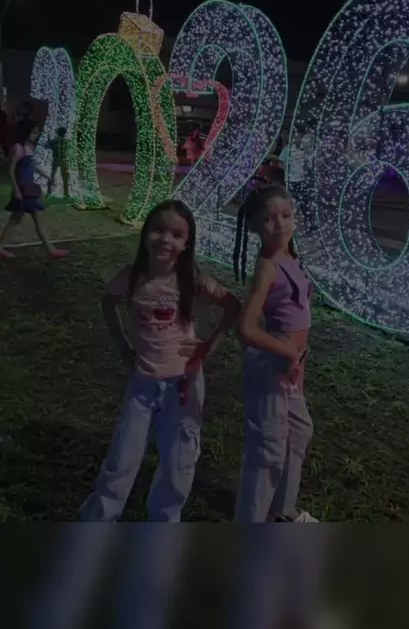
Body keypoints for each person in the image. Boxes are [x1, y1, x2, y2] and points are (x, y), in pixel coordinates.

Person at [79, 199, 241, 522]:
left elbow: (232, 305)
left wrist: (209, 346)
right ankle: (99, 519)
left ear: (187, 243)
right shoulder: (131, 276)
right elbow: (107, 303)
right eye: (158, 230)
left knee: (178, 460)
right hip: (142, 383)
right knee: (123, 456)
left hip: (183, 385)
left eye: (176, 235)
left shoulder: (190, 277)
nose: (166, 240)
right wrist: (123, 345)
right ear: (145, 232)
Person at [232, 183, 318, 523]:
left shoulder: (290, 258)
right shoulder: (267, 266)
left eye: (286, 215)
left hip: (290, 366)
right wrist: (288, 352)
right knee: (268, 448)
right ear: (254, 226)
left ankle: (282, 511)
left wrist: (298, 362)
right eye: (269, 218)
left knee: (299, 431)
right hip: (271, 366)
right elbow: (246, 327)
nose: (280, 223)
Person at [0, 119, 69, 260]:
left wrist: (46, 176)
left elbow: (32, 166)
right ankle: (50, 249)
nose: (36, 135)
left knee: (16, 219)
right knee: (33, 218)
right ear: (26, 132)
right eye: (34, 132)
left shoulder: (28, 147)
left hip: (29, 188)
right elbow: (11, 169)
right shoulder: (18, 147)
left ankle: (50, 249)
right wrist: (16, 189)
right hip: (24, 189)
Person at [47, 126, 70, 197]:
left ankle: (49, 192)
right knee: (65, 177)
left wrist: (48, 138)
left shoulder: (54, 141)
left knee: (52, 175)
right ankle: (66, 194)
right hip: (63, 160)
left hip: (56, 159)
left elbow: (48, 145)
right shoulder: (67, 141)